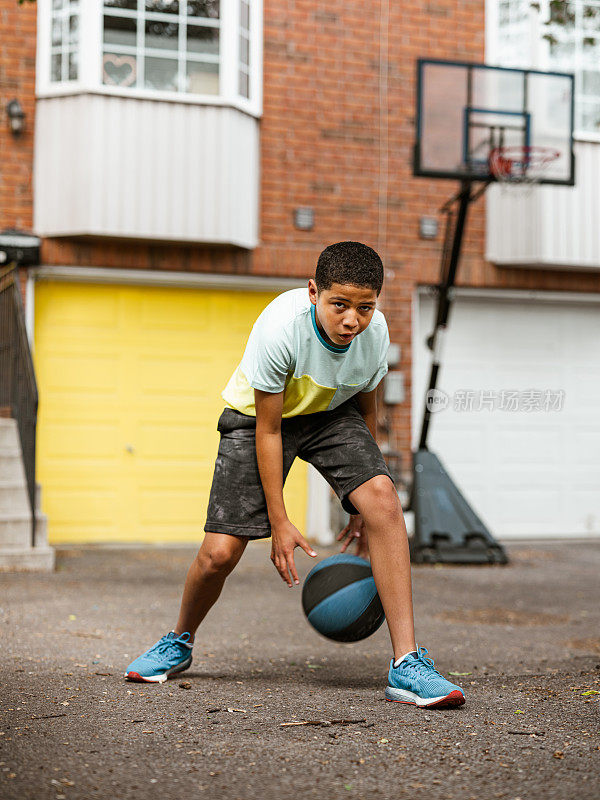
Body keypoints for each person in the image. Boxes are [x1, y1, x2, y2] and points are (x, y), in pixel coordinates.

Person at [124, 241, 465, 709]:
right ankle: (178, 640)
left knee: (384, 500)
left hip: (331, 413)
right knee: (219, 555)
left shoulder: (375, 333)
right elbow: (269, 430)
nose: (352, 320)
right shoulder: (281, 330)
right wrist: (279, 523)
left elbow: (369, 407)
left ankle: (407, 665)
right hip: (260, 419)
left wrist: (364, 490)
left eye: (365, 307)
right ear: (313, 293)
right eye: (340, 305)